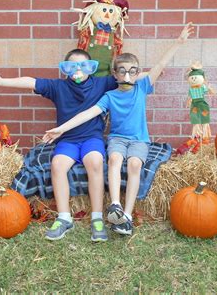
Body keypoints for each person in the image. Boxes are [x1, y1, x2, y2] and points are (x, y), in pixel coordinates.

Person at [43, 23, 194, 236]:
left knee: (134, 164)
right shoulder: (109, 96)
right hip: (117, 139)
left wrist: (178, 43)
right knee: (114, 159)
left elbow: (159, 65)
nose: (126, 76)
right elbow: (87, 114)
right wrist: (61, 129)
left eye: (132, 72)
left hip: (139, 140)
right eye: (122, 72)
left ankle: (127, 216)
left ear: (137, 73)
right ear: (114, 74)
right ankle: (114, 204)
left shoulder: (142, 87)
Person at [0, 49, 118, 242]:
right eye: (72, 66)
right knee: (57, 165)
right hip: (68, 140)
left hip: (92, 139)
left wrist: (153, 72)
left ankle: (97, 218)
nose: (78, 71)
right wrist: (3, 81)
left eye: (83, 66)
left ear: (91, 68)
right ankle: (64, 218)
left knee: (95, 162)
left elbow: (128, 77)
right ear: (65, 69)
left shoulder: (102, 83)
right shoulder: (58, 87)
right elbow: (32, 82)